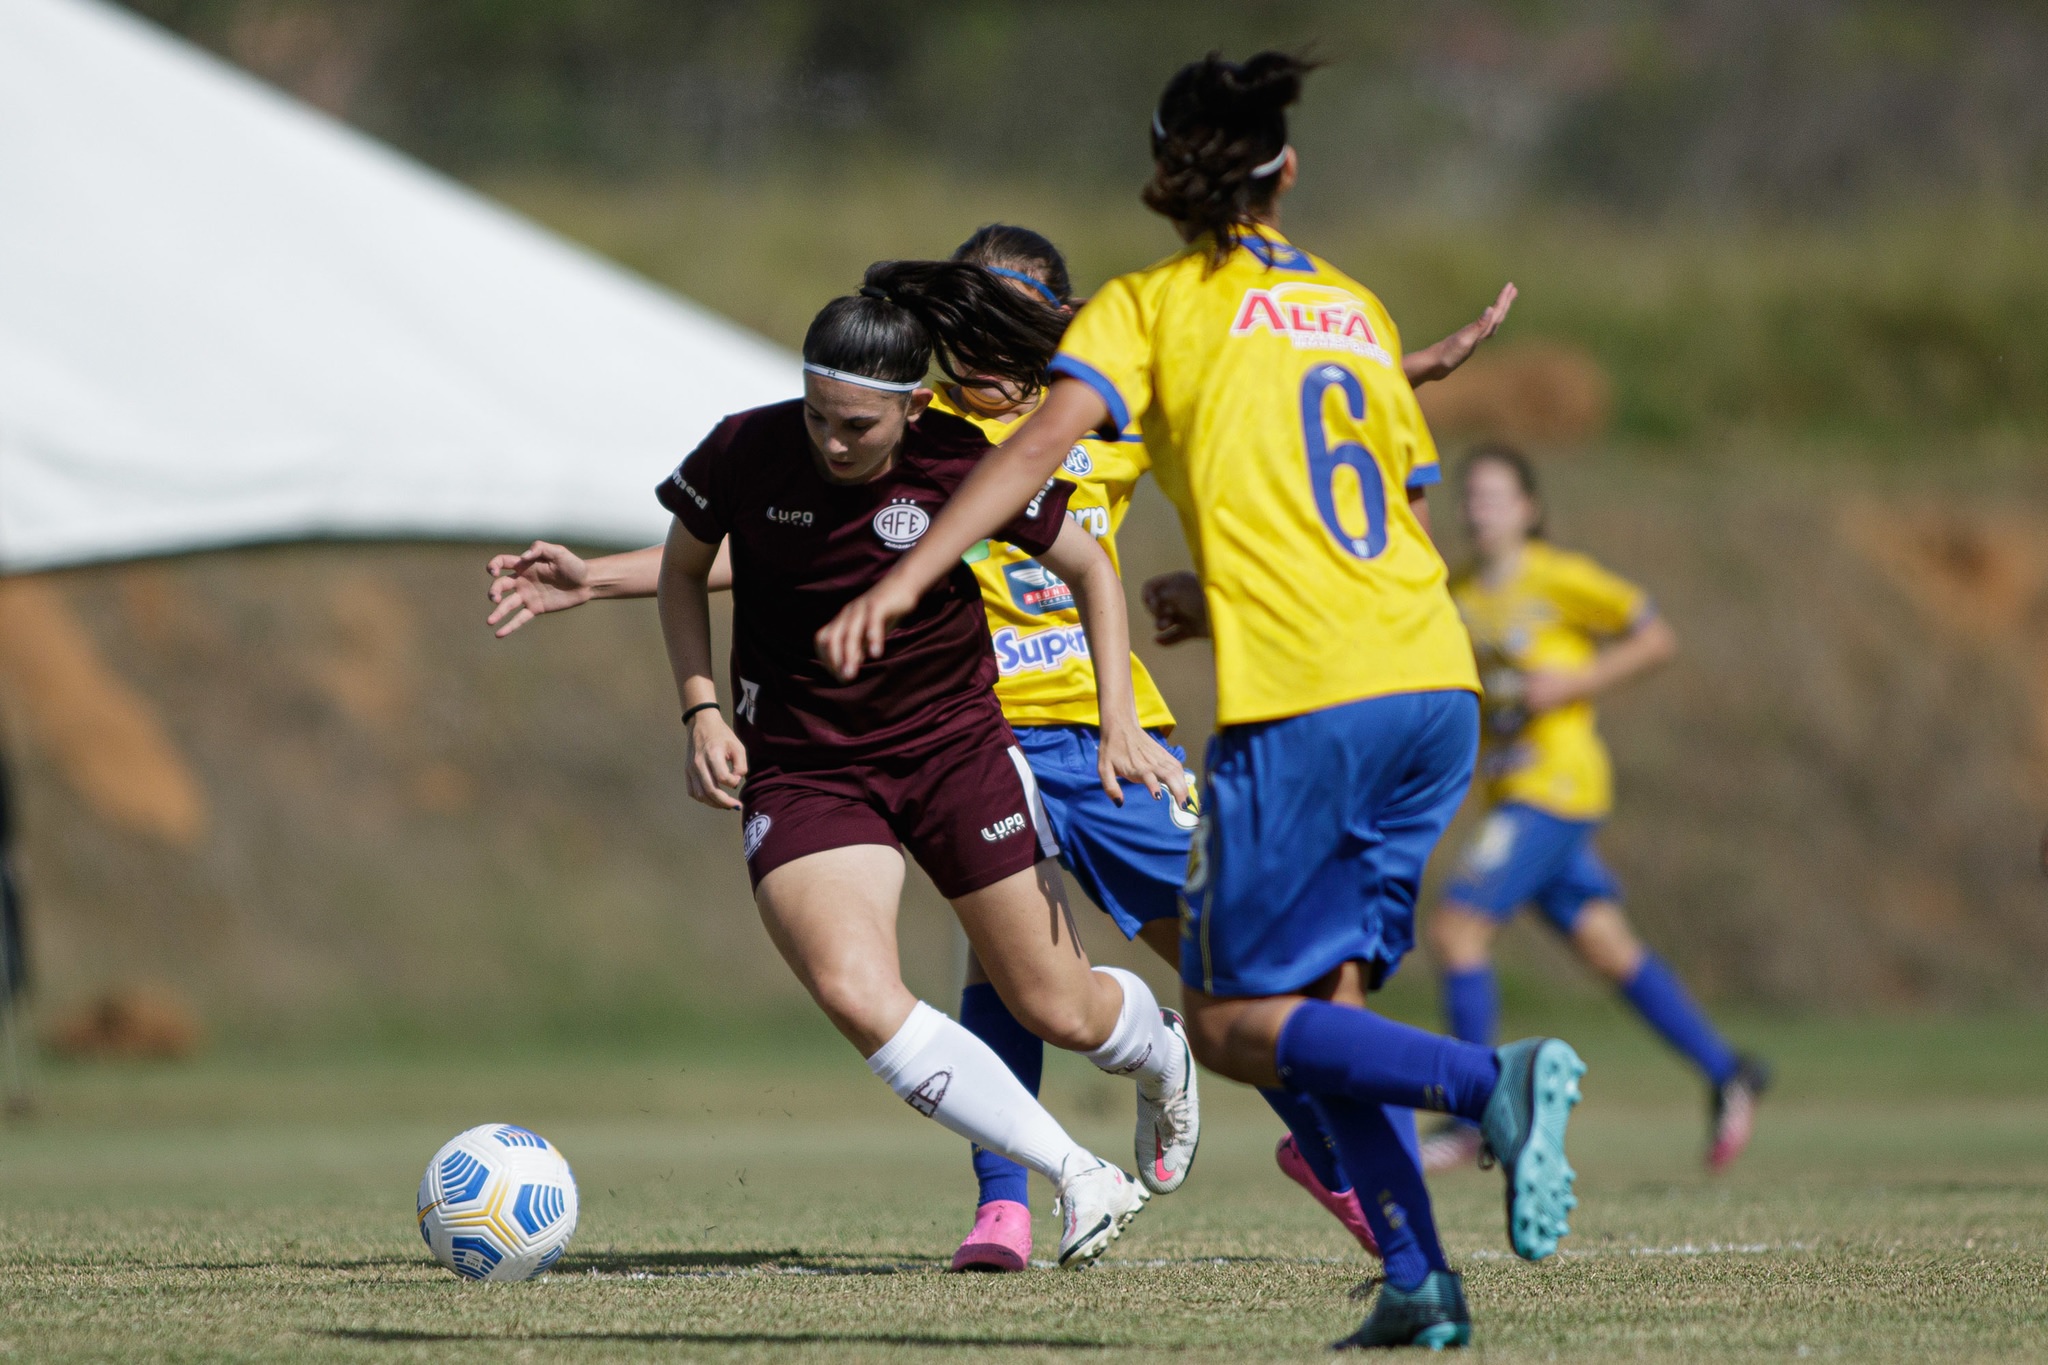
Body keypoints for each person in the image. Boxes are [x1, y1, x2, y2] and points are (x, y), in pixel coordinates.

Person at [487, 223, 1517, 1272]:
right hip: (968, 730)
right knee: (999, 975)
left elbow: (1251, 396)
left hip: (1104, 740)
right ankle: (1009, 1202)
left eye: (1008, 323)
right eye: (972, 323)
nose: (980, 358)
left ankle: (1329, 1156)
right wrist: (596, 586)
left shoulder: (1096, 427)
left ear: (1049, 328)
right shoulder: (896, 421)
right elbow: (760, 548)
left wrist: (1402, 370)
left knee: (1231, 973)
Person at [816, 52, 1585, 1350]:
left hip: (1255, 719)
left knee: (1237, 1016)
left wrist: (913, 578)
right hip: (1426, 686)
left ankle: (1478, 1089)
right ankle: (1404, 1274)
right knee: (1270, 998)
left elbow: (1052, 461)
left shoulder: (1134, 328)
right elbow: (1356, 483)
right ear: (1289, 172)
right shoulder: (1338, 306)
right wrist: (1401, 378)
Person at [513, 258, 1202, 1271]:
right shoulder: (745, 450)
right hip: (806, 771)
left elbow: (1091, 567)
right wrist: (700, 709)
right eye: (817, 416)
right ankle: (1077, 1174)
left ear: (913, 408)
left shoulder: (959, 461)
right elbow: (684, 569)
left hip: (953, 753)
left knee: (1053, 1005)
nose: (830, 442)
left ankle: (1160, 1052)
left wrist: (1116, 722)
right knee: (850, 985)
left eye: (856, 428)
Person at [1417, 444, 1769, 1175]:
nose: (1477, 508)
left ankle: (1469, 1118)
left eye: (1493, 496)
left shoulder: (1559, 577)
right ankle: (1727, 1070)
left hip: (1559, 787)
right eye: (1469, 497)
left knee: (1457, 931)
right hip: (1513, 791)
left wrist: (1575, 680)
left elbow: (1655, 636)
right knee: (1609, 948)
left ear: (1530, 509)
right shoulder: (1461, 592)